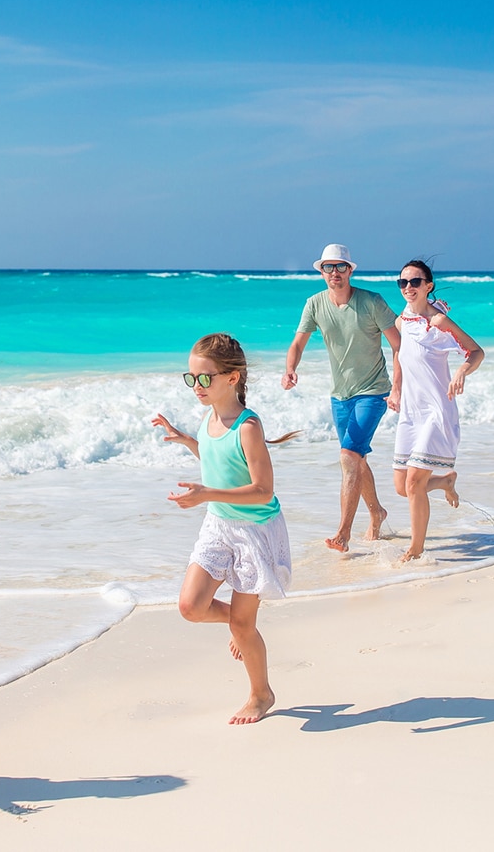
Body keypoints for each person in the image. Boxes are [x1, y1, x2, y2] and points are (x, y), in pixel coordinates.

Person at [152, 333, 299, 724]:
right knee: (191, 607)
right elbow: (217, 458)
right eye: (191, 378)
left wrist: (206, 494)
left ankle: (261, 694)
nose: (196, 386)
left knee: (242, 625)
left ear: (232, 378)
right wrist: (187, 440)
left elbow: (263, 490)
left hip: (254, 532)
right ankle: (239, 621)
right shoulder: (209, 419)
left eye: (205, 378)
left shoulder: (248, 427)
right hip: (218, 525)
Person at [282, 243, 402, 552]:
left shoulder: (372, 302)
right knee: (356, 460)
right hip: (340, 395)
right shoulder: (314, 304)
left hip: (373, 391)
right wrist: (290, 369)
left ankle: (342, 533)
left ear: (350, 270)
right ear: (321, 271)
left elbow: (398, 345)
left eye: (340, 267)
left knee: (349, 457)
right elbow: (298, 343)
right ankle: (377, 513)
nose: (334, 272)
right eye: (328, 267)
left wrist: (398, 388)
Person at [388, 260, 485, 562]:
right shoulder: (402, 321)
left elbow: (476, 351)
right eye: (403, 282)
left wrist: (461, 372)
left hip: (436, 411)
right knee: (402, 487)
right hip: (411, 413)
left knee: (414, 483)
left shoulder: (438, 322)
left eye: (415, 282)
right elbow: (399, 354)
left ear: (428, 286)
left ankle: (415, 549)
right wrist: (396, 388)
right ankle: (444, 481)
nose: (408, 287)